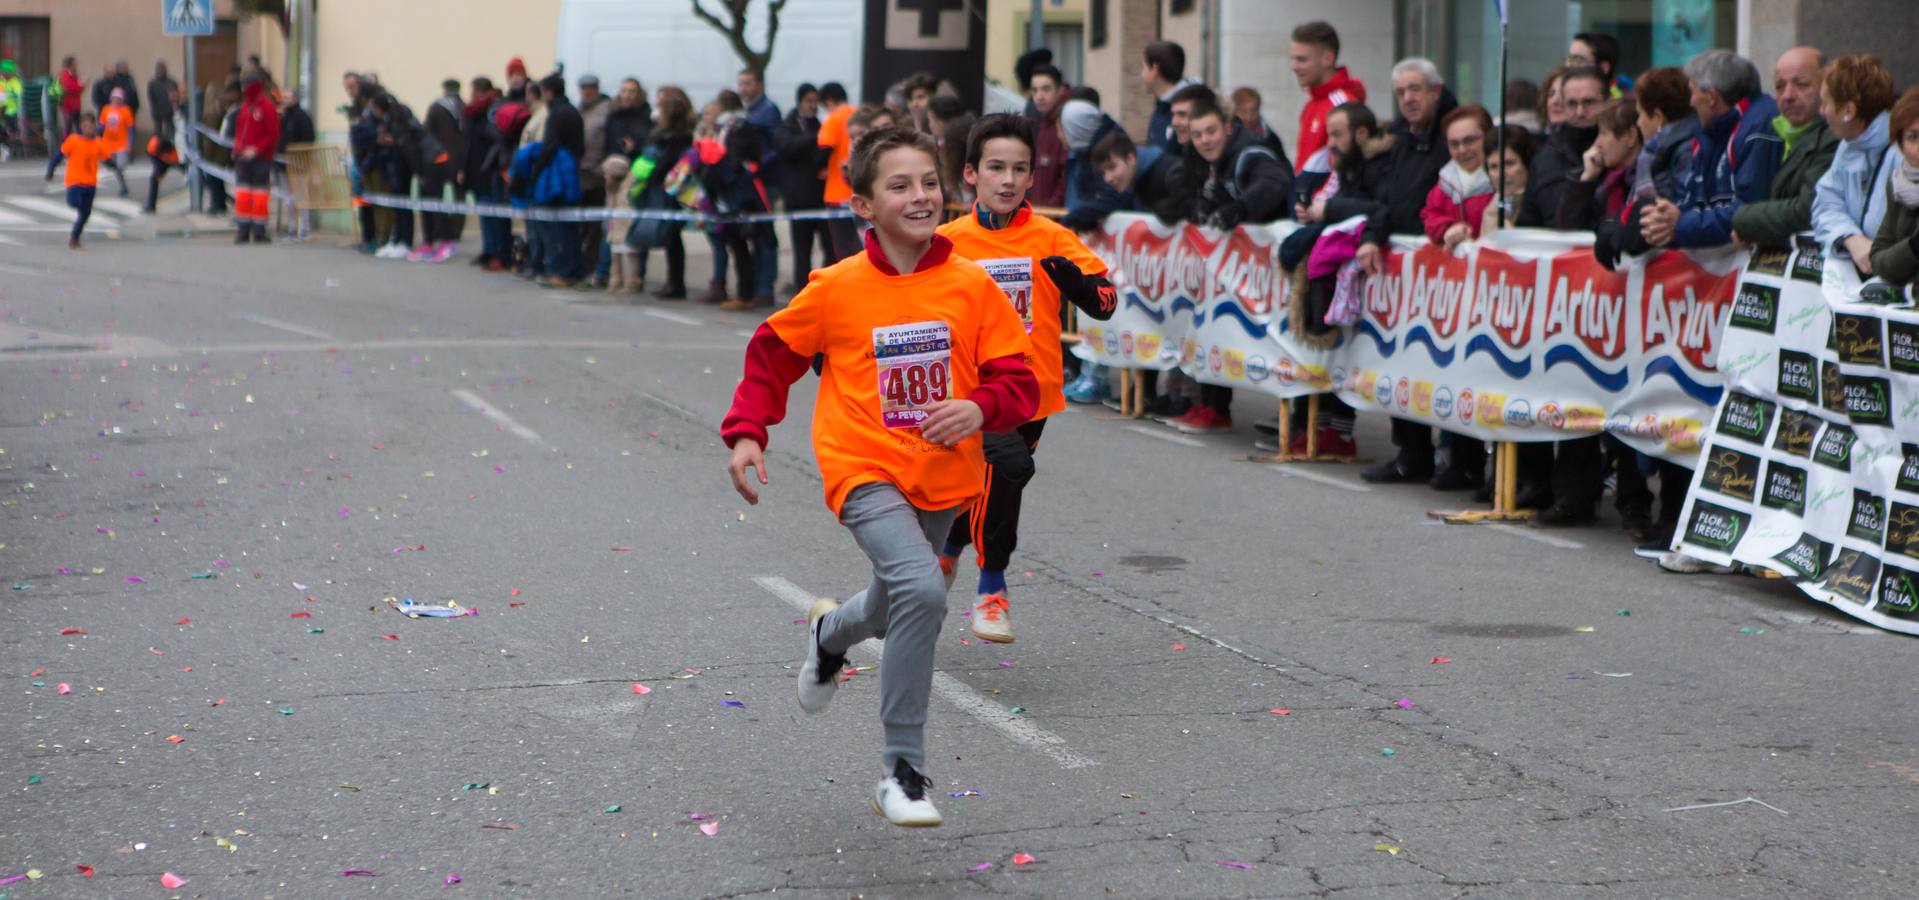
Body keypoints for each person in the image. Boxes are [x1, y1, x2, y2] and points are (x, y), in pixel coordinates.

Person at [720, 126, 1039, 827]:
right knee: (923, 588)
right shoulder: (835, 289)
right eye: (899, 185)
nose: (919, 196)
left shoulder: (970, 286)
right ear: (863, 204)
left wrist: (977, 406)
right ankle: (903, 769)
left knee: (897, 602)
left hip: (942, 473)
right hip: (861, 467)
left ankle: (830, 634)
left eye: (928, 181)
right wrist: (747, 432)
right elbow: (772, 353)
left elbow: (1020, 380)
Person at [932, 114, 1116, 641]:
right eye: (996, 168)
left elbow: (1106, 301)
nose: (1008, 180)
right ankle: (991, 585)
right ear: (971, 174)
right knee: (1006, 469)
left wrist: (1079, 287)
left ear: (1033, 176)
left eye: (1019, 169)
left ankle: (947, 552)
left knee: (988, 482)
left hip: (1032, 392)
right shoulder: (947, 241)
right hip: (969, 391)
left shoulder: (1051, 236)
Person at [1354, 58, 1478, 490]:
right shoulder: (1403, 139)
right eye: (1401, 91)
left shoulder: (1454, 136)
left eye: (1416, 89)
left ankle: (1462, 459)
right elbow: (1387, 199)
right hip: (1407, 269)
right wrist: (1372, 237)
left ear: (1436, 90)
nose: (1408, 98)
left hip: (1450, 269)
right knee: (1404, 357)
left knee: (1452, 362)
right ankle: (1412, 453)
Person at [1640, 50, 1783, 251]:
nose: (1690, 102)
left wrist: (1680, 224)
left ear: (1711, 96)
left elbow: (1749, 209)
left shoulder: (1758, 128)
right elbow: (1697, 200)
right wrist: (1666, 218)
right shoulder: (1712, 131)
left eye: (1693, 91)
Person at [1731, 48, 1838, 249]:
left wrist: (1744, 220)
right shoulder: (1774, 133)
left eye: (1802, 84)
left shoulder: (1835, 137)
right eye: (1780, 86)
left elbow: (1808, 209)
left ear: (1827, 86)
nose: (1788, 95)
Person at [1811, 55, 1899, 276]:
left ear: (1848, 111)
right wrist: (1851, 238)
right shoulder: (1849, 144)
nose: (1821, 111)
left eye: (1825, 102)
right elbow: (1825, 203)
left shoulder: (1904, 152)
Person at [1520, 67, 1605, 228]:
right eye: (1572, 103)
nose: (1580, 112)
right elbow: (1528, 224)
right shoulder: (1544, 158)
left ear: (1607, 102)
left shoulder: (1621, 151)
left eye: (1589, 102)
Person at [632, 85, 695, 298]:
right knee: (669, 237)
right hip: (663, 187)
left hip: (671, 189)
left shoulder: (678, 136)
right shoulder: (662, 134)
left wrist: (655, 174)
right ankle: (670, 281)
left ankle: (676, 283)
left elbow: (669, 162)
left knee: (672, 236)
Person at [1289, 21, 1365, 172]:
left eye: (1301, 59)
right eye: (1292, 59)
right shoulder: (1312, 104)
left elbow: (1347, 171)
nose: (1294, 67)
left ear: (1328, 59)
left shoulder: (1343, 105)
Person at [533, 73, 586, 286]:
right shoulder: (573, 111)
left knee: (557, 227)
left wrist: (536, 170)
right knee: (570, 225)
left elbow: (549, 145)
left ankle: (561, 271)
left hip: (558, 176)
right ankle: (574, 270)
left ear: (548, 91)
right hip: (572, 171)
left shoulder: (556, 113)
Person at [1421, 104, 1497, 251]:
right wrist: (1448, 228)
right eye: (1454, 144)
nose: (1462, 150)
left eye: (1470, 140)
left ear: (1489, 137)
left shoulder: (1505, 180)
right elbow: (1430, 216)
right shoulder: (1443, 185)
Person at [775, 82, 829, 291]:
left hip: (820, 197)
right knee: (802, 250)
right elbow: (787, 147)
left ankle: (824, 288)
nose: (813, 106)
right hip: (798, 197)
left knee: (828, 247)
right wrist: (814, 137)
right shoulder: (787, 126)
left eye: (816, 101)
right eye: (809, 101)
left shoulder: (820, 125)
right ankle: (802, 290)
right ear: (800, 101)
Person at [1868, 88, 1919, 286]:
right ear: (1900, 142)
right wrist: (1913, 248)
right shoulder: (1899, 183)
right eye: (1913, 138)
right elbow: (1878, 258)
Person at [413, 79, 467, 262]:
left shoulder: (436, 107)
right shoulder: (465, 108)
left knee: (433, 200)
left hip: (437, 161)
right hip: (460, 161)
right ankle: (453, 234)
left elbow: (427, 132)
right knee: (458, 200)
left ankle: (438, 237)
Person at [231, 76, 280, 244]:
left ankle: (259, 231)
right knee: (242, 194)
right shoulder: (246, 106)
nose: (244, 89)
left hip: (261, 158)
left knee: (260, 195)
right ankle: (243, 230)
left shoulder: (266, 107)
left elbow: (272, 134)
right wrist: (237, 149)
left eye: (246, 86)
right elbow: (240, 131)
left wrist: (256, 149)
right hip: (243, 157)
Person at [816, 82, 861, 261]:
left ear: (829, 101)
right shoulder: (857, 114)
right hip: (859, 191)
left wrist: (820, 169)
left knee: (842, 249)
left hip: (837, 191)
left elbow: (824, 149)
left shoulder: (833, 118)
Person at [59, 112, 108, 250]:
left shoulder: (98, 142)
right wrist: (51, 169)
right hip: (75, 181)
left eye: (91, 127)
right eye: (85, 126)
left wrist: (115, 167)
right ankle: (73, 202)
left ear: (95, 127)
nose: (88, 129)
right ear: (81, 127)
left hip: (91, 183)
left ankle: (74, 237)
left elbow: (106, 158)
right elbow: (60, 154)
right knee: (75, 202)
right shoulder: (73, 140)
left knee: (85, 214)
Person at [1027, 64, 1069, 206]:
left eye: (1046, 89)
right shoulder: (1041, 123)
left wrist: (1049, 210)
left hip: (1054, 217)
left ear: (1060, 90)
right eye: (1034, 90)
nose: (1039, 96)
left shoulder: (1066, 124)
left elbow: (1066, 177)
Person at [1142, 40, 1195, 149]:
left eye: (1143, 67)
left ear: (1155, 69)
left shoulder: (1191, 108)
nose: (1141, 74)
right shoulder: (1162, 106)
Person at [1483, 123, 1535, 234]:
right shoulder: (1490, 210)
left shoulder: (1541, 206)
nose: (1501, 174)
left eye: (1509, 163)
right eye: (1493, 167)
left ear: (1528, 163)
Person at [1230, 87, 1286, 159]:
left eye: (1253, 111)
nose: (1249, 117)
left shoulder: (1271, 139)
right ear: (1235, 112)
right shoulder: (1229, 140)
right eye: (1243, 112)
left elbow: (1283, 165)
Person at [98, 88, 134, 197]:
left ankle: (123, 187)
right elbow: (102, 125)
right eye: (114, 98)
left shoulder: (126, 111)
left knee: (120, 166)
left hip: (121, 144)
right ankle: (122, 183)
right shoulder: (106, 109)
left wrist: (130, 143)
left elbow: (131, 129)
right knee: (108, 163)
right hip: (107, 143)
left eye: (118, 99)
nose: (116, 101)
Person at [1567, 32, 1626, 96]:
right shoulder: (1558, 98)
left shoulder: (1618, 98)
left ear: (1603, 68)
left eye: (1577, 60)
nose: (1568, 65)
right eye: (1569, 59)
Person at [146, 61, 177, 139]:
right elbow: (151, 97)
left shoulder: (171, 82)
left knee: (170, 133)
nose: (160, 71)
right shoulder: (152, 83)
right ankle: (155, 149)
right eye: (158, 69)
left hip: (169, 112)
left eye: (162, 69)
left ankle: (169, 149)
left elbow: (175, 96)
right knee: (157, 133)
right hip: (157, 112)